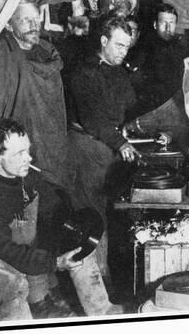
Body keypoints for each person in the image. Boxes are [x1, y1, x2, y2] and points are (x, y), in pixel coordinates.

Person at [0, 118, 122, 321]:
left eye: (28, 150)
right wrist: (55, 262)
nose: (28, 158)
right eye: (19, 153)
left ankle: (103, 313)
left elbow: (53, 208)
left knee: (81, 246)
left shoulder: (25, 173)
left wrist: (75, 231)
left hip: (22, 245)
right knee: (10, 280)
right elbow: (6, 252)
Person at [0, 0, 69, 189]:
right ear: (8, 25)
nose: (35, 26)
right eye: (26, 20)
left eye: (37, 20)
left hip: (48, 149)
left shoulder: (47, 54)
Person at [67, 16, 139, 282]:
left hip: (104, 147)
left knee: (104, 214)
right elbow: (93, 120)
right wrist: (120, 142)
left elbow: (128, 105)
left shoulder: (118, 70)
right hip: (86, 148)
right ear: (103, 41)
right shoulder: (85, 72)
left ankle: (104, 276)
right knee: (92, 219)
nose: (123, 52)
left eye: (127, 47)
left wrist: (130, 127)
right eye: (119, 46)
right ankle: (96, 283)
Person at [137, 3, 189, 114]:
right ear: (155, 25)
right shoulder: (143, 49)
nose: (168, 28)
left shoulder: (183, 51)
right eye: (164, 22)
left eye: (171, 23)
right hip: (150, 109)